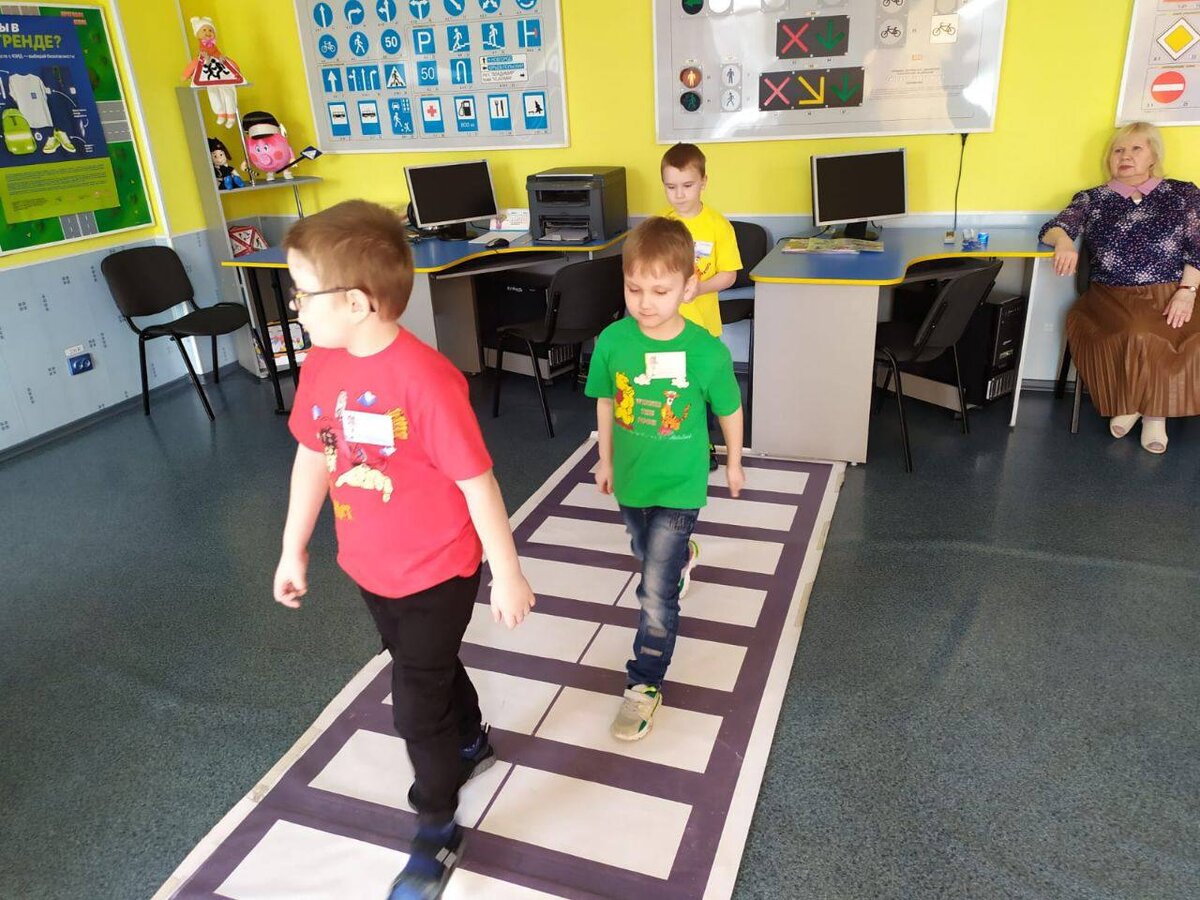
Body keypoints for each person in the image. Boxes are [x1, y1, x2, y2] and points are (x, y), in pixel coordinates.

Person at [271, 200, 535, 899]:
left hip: (438, 570)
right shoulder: (322, 364)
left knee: (414, 704)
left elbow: (477, 482)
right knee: (423, 664)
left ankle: (436, 825)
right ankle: (471, 740)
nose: (295, 306)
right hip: (369, 565)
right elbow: (312, 456)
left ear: (356, 302)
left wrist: (506, 572)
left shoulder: (426, 379)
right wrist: (294, 547)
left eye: (303, 293)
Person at [585, 216, 745, 741]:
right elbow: (606, 401)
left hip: (681, 485)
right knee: (644, 546)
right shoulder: (613, 341)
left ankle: (644, 683)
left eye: (660, 291)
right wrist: (605, 459)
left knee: (655, 591)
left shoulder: (706, 351)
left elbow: (729, 409)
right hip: (632, 480)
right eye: (634, 289)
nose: (645, 303)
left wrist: (734, 461)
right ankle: (682, 557)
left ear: (688, 287)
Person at [1040, 122, 1200, 453]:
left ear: (1154, 156)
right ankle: (1150, 412)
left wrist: (1187, 292)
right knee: (1139, 331)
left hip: (1175, 291)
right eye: (1118, 150)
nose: (1125, 156)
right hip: (1112, 295)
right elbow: (1053, 228)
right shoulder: (1093, 198)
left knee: (1179, 332)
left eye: (1135, 149)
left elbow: (1198, 246)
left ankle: (1142, 409)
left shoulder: (1183, 194)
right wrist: (1064, 242)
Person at [660, 142, 743, 470]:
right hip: (666, 328)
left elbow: (729, 275)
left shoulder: (718, 225)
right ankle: (670, 443)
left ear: (703, 182)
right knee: (669, 388)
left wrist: (699, 289)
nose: (679, 195)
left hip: (703, 327)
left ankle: (702, 444)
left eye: (687, 185)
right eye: (671, 187)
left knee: (700, 387)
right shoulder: (661, 226)